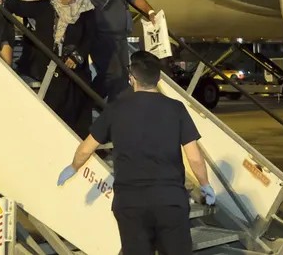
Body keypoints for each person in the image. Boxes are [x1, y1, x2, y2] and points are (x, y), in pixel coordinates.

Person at [57, 51, 216, 255]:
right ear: (158, 79)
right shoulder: (176, 109)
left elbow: (86, 148)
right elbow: (194, 157)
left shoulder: (116, 109)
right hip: (169, 201)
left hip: (131, 203)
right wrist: (205, 184)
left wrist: (73, 167)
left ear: (132, 78)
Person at [0, 0, 96, 138]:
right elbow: (20, 7)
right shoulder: (47, 4)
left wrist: (77, 56)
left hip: (75, 66)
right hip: (50, 64)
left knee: (78, 106)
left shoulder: (85, 8)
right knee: (54, 104)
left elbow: (90, 36)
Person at [78, 0, 158, 101]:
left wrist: (150, 12)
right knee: (114, 74)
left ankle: (104, 107)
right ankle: (89, 102)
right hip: (99, 35)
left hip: (120, 37)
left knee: (122, 77)